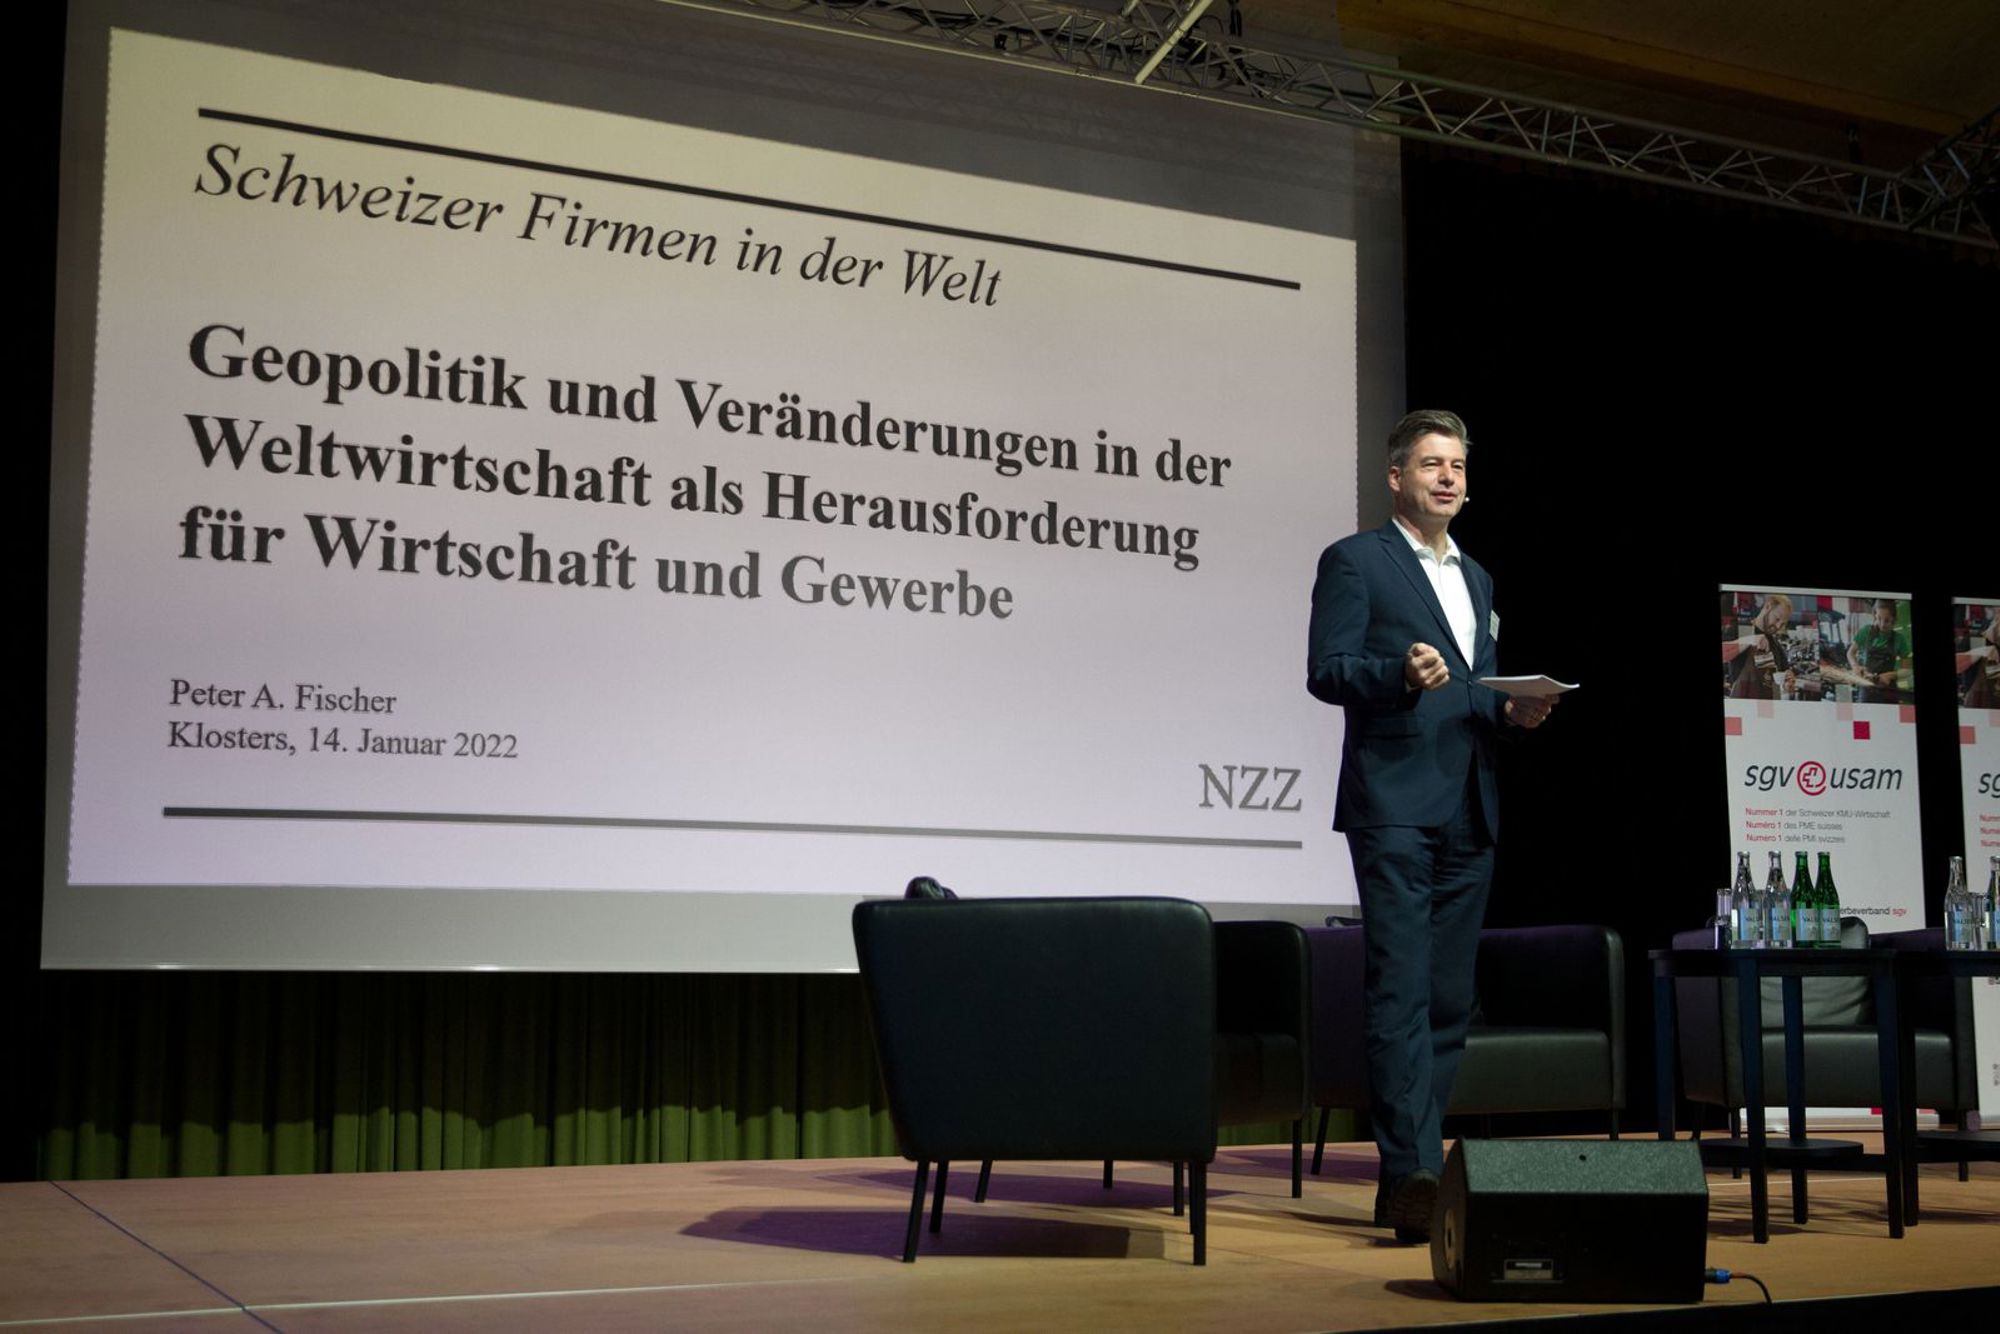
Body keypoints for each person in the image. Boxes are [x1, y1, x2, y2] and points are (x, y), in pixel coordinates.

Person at [1306, 409, 1552, 1243]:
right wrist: (1398, 674)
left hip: (1470, 803)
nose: (1448, 477)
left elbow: (1476, 686)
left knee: (1447, 998)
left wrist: (1514, 712)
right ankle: (1411, 1171)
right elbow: (1327, 670)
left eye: (1457, 466)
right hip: (1394, 804)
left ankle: (1412, 1174)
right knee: (1400, 988)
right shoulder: (1355, 561)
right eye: (1431, 464)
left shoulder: (1477, 576)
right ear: (1396, 477)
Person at [1728, 593, 1795, 699]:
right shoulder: (1741, 630)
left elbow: (1782, 674)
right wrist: (1750, 639)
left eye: (1782, 624)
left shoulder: (1775, 644)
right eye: (1777, 619)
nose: (1778, 626)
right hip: (1744, 704)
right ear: (1767, 606)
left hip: (1769, 704)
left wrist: (1787, 682)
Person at [1848, 599, 1911, 704]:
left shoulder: (1899, 639)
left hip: (1889, 691)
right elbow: (1850, 653)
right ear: (1874, 615)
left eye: (1887, 620)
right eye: (1878, 618)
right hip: (1867, 688)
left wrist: (1890, 675)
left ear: (1894, 619)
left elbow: (1907, 671)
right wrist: (1855, 667)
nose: (1882, 624)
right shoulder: (1866, 631)